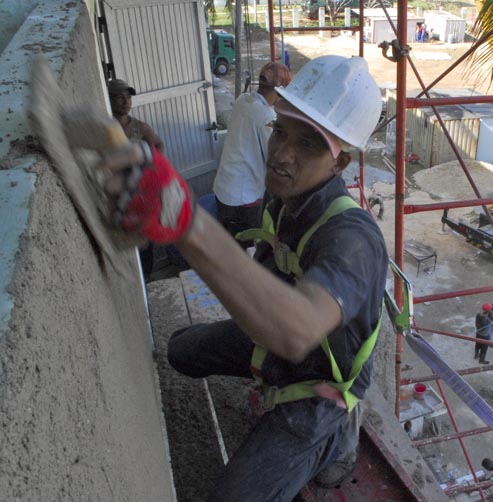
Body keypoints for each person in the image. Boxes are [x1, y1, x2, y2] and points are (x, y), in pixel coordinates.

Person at [96, 55, 387, 501]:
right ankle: (273, 383)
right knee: (180, 352)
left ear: (340, 161)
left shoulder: (352, 240)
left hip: (321, 382)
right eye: (281, 131)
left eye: (308, 144)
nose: (283, 154)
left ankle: (333, 438)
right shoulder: (286, 201)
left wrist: (186, 222)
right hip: (275, 344)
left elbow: (297, 331)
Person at [213, 62, 292, 240]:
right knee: (247, 247)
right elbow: (274, 156)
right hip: (244, 196)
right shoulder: (264, 115)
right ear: (279, 90)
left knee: (230, 244)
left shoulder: (243, 100)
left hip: (224, 187)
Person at [107, 78, 165, 277]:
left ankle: (146, 280)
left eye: (128, 97)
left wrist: (151, 170)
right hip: (116, 197)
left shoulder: (141, 128)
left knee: (144, 243)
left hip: (139, 195)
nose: (126, 102)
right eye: (120, 98)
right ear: (109, 100)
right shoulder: (106, 128)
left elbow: (158, 146)